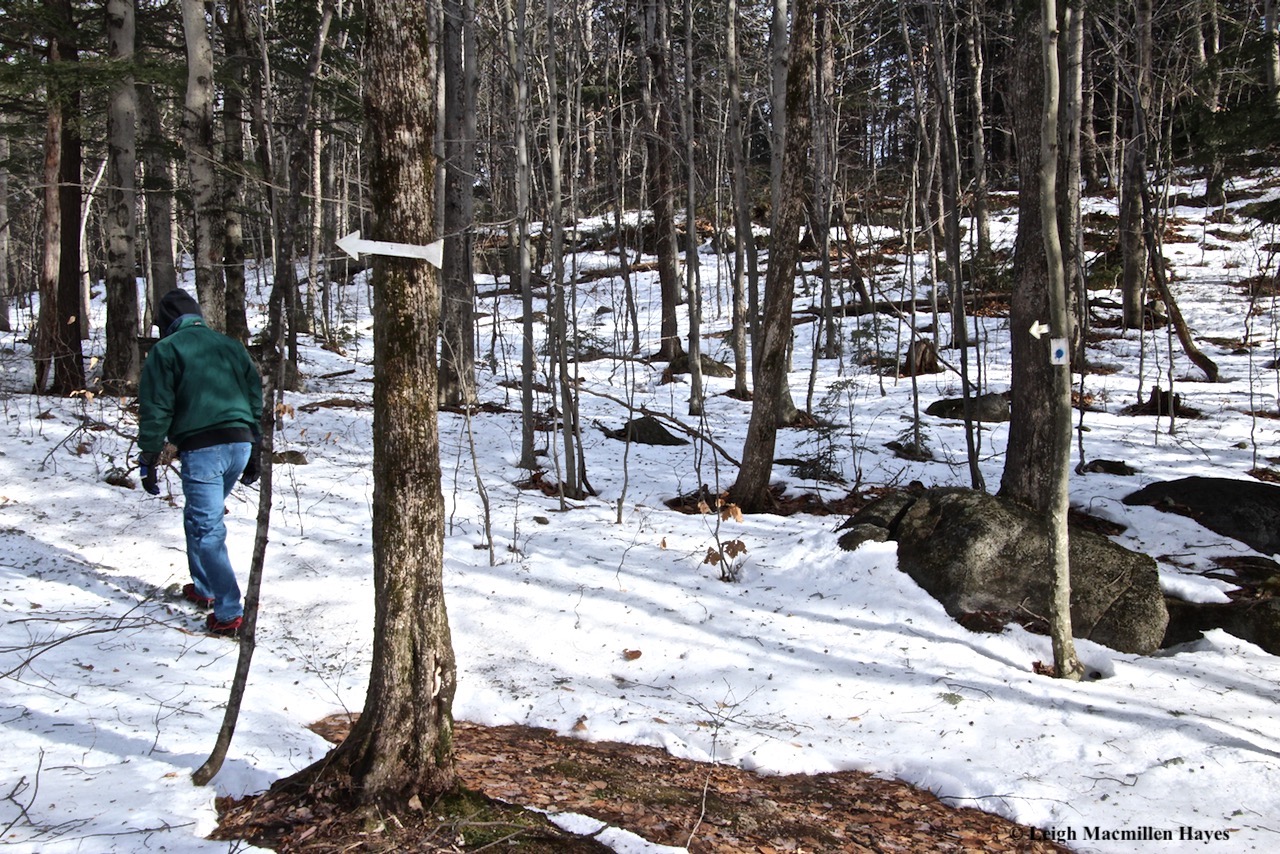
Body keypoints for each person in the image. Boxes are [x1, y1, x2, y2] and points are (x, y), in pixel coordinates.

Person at [137, 289, 263, 638]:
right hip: (239, 445)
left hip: (203, 450)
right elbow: (255, 397)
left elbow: (156, 407)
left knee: (207, 529)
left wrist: (148, 454)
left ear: (165, 323)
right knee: (199, 515)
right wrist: (256, 448)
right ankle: (204, 587)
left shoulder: (165, 350)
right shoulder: (230, 345)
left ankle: (229, 612)